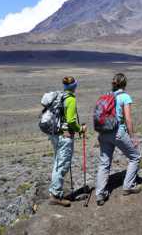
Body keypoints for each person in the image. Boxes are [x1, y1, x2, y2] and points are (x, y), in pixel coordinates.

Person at [96, 73, 141, 206]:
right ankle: (128, 186)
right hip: (117, 132)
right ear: (124, 84)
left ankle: (100, 194)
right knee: (135, 157)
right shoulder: (124, 97)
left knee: (104, 163)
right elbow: (128, 119)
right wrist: (133, 137)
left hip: (103, 133)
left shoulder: (106, 96)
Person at [48, 76, 87, 207]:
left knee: (57, 163)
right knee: (62, 165)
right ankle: (56, 195)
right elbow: (70, 120)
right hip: (65, 136)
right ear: (74, 86)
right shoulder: (70, 99)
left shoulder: (60, 97)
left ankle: (54, 192)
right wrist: (80, 128)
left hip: (55, 135)